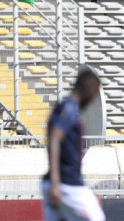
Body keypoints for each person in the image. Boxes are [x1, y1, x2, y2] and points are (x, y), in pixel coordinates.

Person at [42, 65, 105, 221]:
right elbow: (55, 139)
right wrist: (56, 183)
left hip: (61, 183)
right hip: (66, 185)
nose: (93, 99)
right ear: (87, 88)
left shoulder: (64, 108)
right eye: (94, 93)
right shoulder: (69, 109)